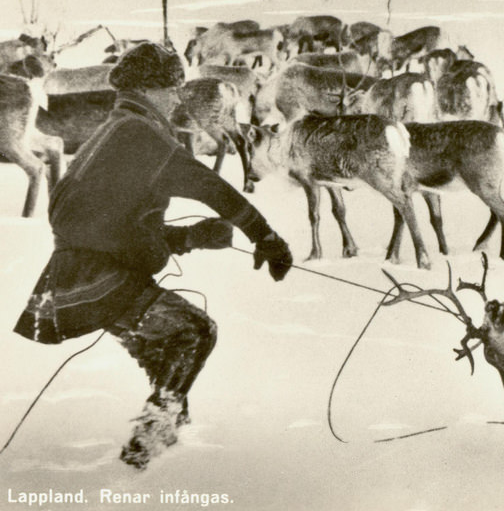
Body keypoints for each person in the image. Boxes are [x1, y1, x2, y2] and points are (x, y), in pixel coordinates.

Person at [12, 42, 293, 470]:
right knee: (195, 332)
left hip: (77, 275)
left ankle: (166, 432)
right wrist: (265, 236)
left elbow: (111, 221)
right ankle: (147, 448)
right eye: (172, 87)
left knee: (171, 344)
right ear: (150, 89)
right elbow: (210, 186)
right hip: (95, 275)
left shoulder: (116, 129)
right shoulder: (139, 135)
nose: (177, 96)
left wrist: (190, 237)